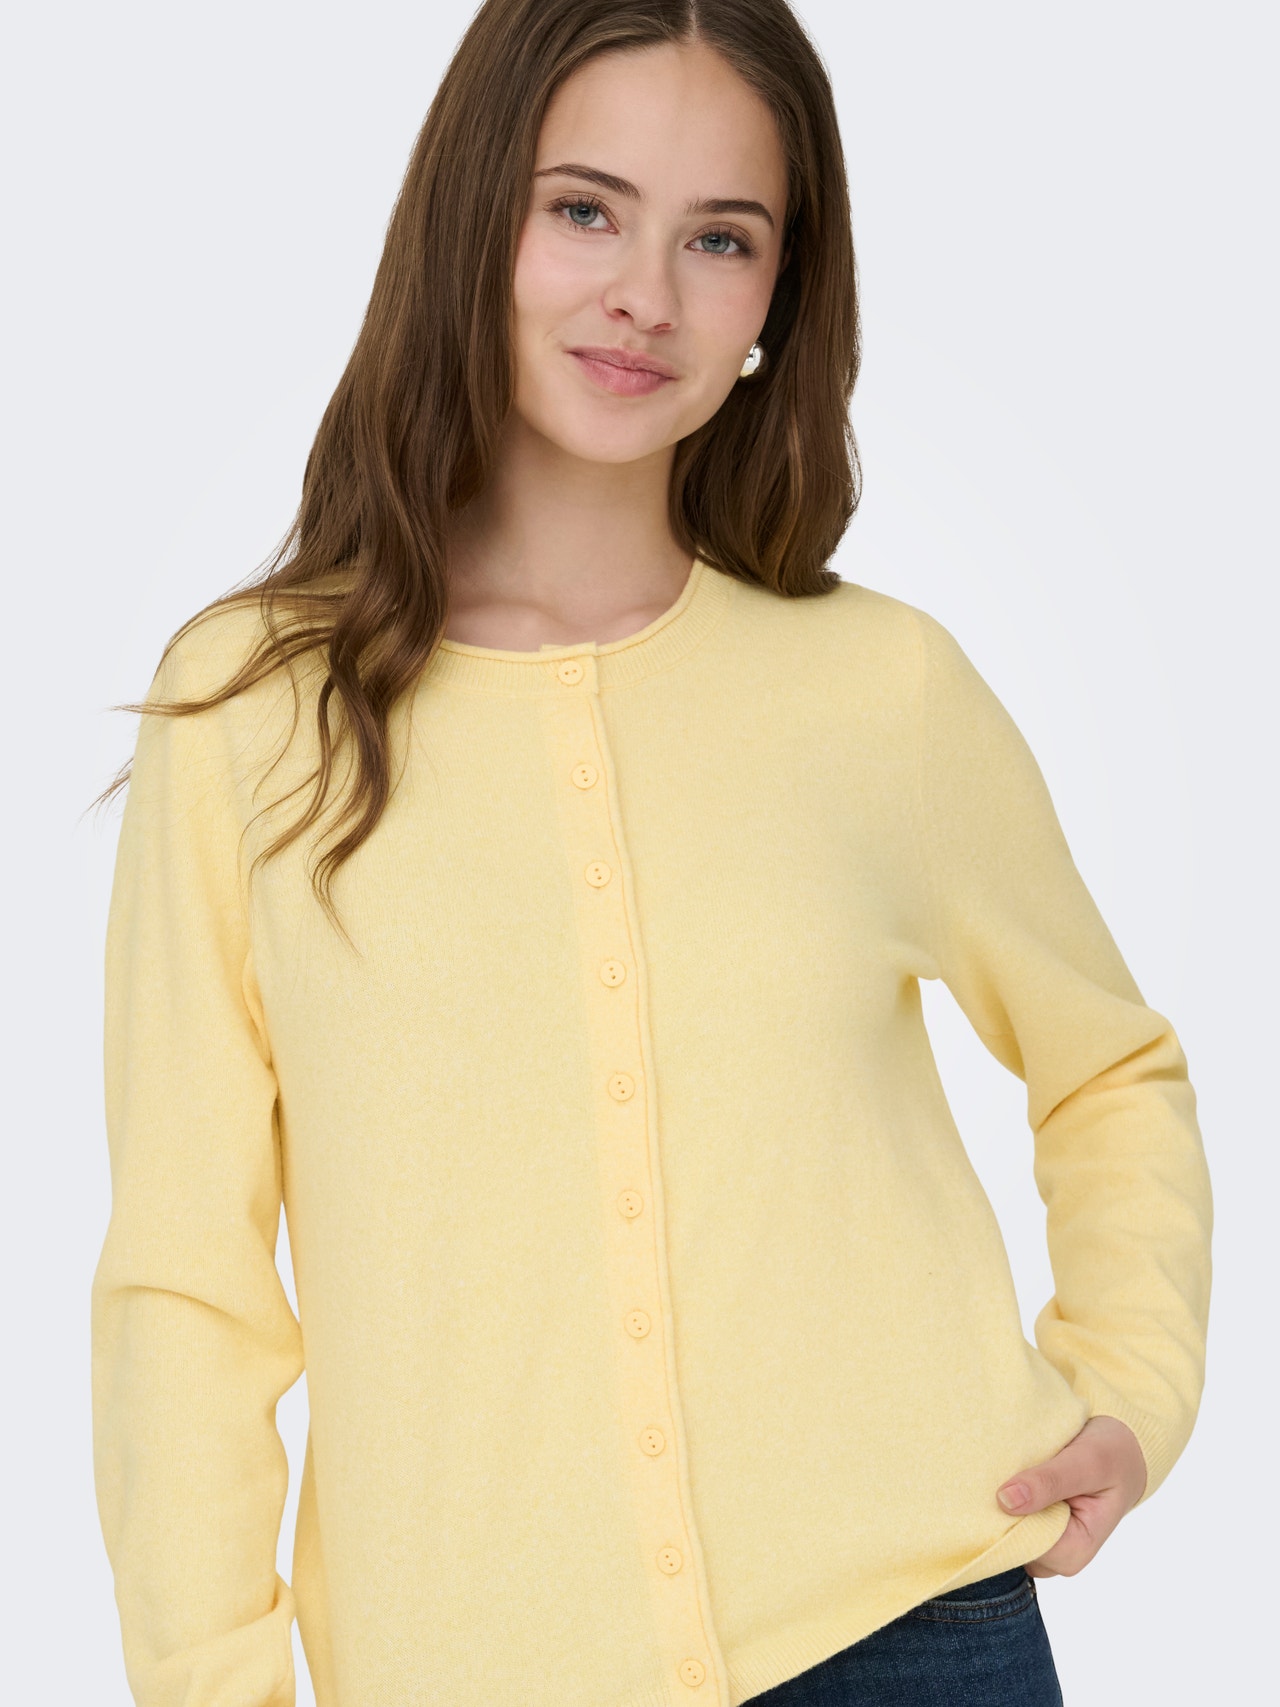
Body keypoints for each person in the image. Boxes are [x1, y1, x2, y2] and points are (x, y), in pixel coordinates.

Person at [89, 2, 1213, 1704]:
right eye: (585, 210)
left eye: (721, 239)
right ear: (473, 218)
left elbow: (1110, 1065)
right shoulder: (252, 715)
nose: (646, 296)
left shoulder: (879, 690)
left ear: (777, 301)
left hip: (911, 1633)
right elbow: (189, 1283)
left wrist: (1129, 1383)